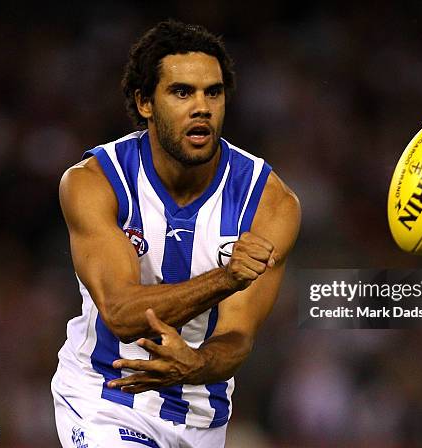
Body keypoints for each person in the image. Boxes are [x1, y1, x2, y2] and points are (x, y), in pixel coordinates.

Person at [51, 19, 300, 448]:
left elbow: (238, 336)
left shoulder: (270, 202)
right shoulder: (97, 181)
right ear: (145, 102)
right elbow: (122, 313)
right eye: (182, 92)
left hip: (203, 420)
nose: (201, 106)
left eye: (213, 92)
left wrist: (197, 363)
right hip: (106, 400)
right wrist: (227, 277)